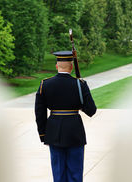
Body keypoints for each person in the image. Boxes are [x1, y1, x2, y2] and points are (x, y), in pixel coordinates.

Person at [35, 51, 97, 182]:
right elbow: (91, 110)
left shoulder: (45, 84)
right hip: (75, 132)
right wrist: (80, 101)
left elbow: (39, 113)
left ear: (57, 66)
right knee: (75, 173)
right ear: (72, 67)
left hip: (54, 132)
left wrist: (43, 134)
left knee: (58, 174)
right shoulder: (80, 85)